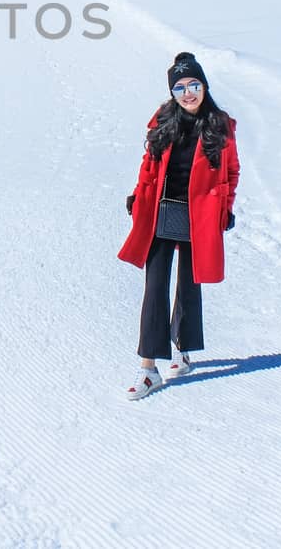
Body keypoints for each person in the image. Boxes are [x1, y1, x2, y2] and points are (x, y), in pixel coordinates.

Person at [116, 52, 240, 399]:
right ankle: (148, 369)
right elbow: (149, 165)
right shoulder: (163, 121)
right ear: (172, 92)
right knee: (154, 287)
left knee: (189, 286)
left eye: (193, 85)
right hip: (160, 214)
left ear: (204, 87)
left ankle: (183, 352)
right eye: (180, 87)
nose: (188, 93)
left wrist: (225, 208)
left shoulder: (221, 126)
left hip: (199, 219)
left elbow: (232, 172)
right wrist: (138, 195)